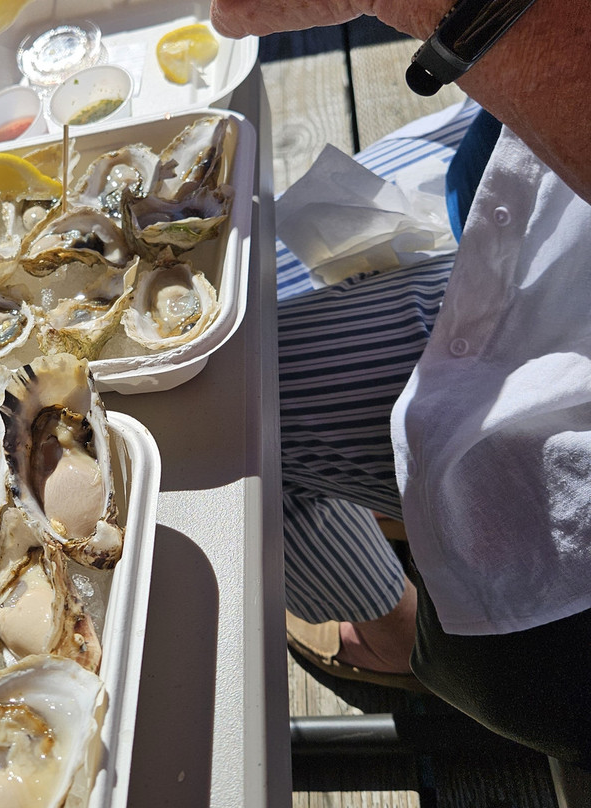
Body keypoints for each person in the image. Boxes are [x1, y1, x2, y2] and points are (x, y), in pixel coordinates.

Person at [210, 0, 591, 767]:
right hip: (510, 151)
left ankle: (390, 625)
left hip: (565, 297)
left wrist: (453, 10)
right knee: (268, 248)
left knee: (237, 397)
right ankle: (396, 501)